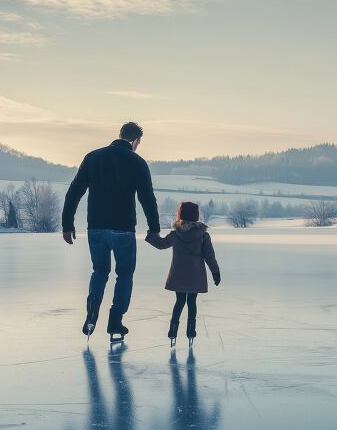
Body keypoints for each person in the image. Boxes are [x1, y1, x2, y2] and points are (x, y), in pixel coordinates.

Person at [62, 122, 160, 342]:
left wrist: (67, 224)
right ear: (135, 141)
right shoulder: (137, 162)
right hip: (123, 229)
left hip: (95, 228)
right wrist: (154, 229)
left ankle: (91, 314)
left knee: (99, 271)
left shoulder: (93, 157)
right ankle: (115, 321)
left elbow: (74, 191)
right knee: (124, 274)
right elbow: (147, 198)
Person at [146, 202, 220, 346]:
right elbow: (209, 256)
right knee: (192, 302)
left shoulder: (175, 234)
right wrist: (215, 272)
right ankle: (191, 331)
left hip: (178, 275)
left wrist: (150, 236)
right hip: (195, 276)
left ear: (180, 216)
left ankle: (173, 330)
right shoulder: (203, 235)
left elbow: (161, 244)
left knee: (179, 301)